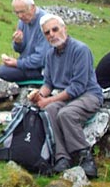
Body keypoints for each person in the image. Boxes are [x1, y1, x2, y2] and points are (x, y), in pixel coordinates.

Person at [28, 14, 102, 178]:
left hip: (88, 94)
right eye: (47, 33)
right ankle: (62, 158)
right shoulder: (50, 55)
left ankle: (85, 158)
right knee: (50, 110)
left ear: (64, 29)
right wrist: (39, 95)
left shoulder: (80, 50)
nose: (52, 34)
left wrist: (48, 99)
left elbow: (78, 86)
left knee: (66, 113)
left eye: (55, 29)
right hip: (66, 97)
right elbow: (48, 83)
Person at [0, 0, 50, 82]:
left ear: (33, 7)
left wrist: (17, 63)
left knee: (1, 72)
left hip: (42, 70)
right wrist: (18, 42)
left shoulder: (45, 23)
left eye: (22, 12)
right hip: (27, 65)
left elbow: (41, 59)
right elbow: (19, 50)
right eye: (17, 12)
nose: (20, 16)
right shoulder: (22, 21)